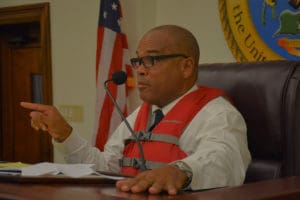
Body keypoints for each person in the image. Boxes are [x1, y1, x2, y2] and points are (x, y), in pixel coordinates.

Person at [20, 25, 251, 195]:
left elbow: (224, 159)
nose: (139, 70)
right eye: (137, 61)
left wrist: (179, 171)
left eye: (151, 60)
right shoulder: (141, 114)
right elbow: (106, 167)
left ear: (186, 66)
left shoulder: (218, 113)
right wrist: (65, 134)